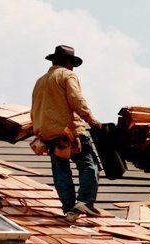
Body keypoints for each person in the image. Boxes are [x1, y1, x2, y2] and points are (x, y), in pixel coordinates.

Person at [31, 45, 103, 222]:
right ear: (69, 63)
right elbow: (76, 99)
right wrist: (90, 119)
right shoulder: (67, 75)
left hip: (49, 136)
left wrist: (40, 132)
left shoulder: (40, 81)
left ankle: (70, 208)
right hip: (70, 133)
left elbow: (35, 110)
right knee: (90, 166)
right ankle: (85, 201)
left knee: (61, 172)